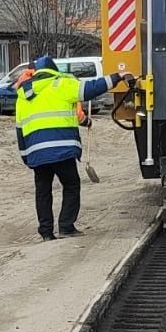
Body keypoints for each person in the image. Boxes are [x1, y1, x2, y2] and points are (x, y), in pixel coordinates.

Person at [14, 55, 129, 240]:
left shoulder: (24, 94)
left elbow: (19, 130)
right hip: (62, 151)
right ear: (53, 71)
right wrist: (117, 77)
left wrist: (26, 157)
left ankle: (46, 233)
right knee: (71, 185)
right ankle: (66, 226)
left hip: (37, 153)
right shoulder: (61, 84)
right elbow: (91, 88)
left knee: (43, 191)